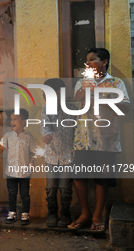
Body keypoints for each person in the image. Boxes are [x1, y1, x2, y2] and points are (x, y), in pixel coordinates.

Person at [68, 48, 130, 232]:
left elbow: (125, 107)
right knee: (78, 177)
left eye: (92, 59)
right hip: (83, 138)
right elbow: (78, 97)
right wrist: (89, 86)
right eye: (86, 60)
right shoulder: (82, 81)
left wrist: (106, 95)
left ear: (104, 62)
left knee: (102, 178)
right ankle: (85, 213)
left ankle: (98, 215)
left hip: (106, 139)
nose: (87, 63)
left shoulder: (116, 83)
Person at [41, 78, 76, 228]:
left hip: (68, 155)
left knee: (65, 187)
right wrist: (47, 134)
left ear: (58, 93)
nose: (44, 97)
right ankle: (52, 213)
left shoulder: (72, 109)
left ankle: (66, 214)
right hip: (51, 155)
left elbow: (77, 129)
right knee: (51, 187)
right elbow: (45, 125)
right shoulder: (45, 109)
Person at [0, 108, 35, 225]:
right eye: (11, 119)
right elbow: (1, 147)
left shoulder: (28, 137)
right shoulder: (7, 135)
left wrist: (31, 164)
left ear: (24, 122)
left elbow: (33, 152)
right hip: (11, 171)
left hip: (24, 172)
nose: (12, 122)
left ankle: (25, 214)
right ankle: (12, 213)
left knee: (25, 194)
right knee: (12, 193)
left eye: (15, 119)